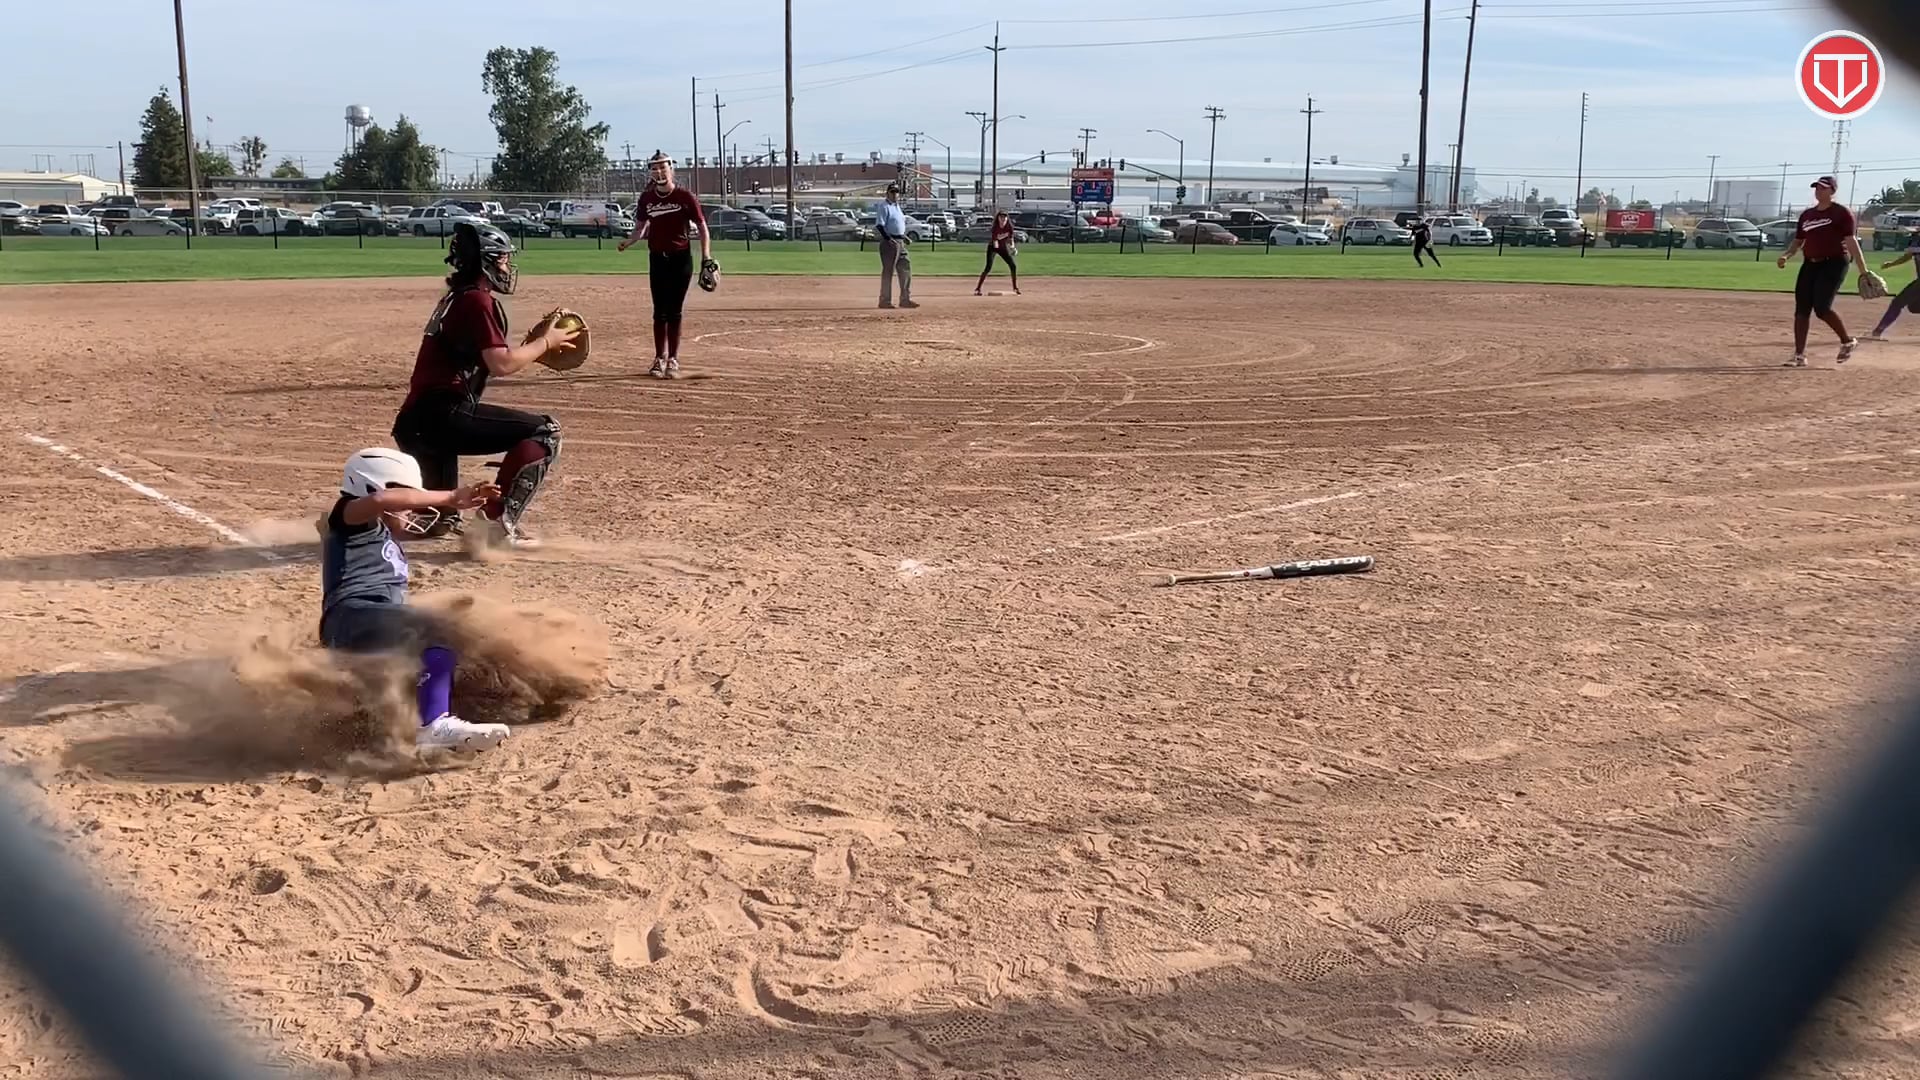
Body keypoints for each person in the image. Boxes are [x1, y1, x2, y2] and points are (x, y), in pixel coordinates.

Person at [389, 222, 580, 548]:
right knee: (546, 432)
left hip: (417, 424)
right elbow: (501, 363)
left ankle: (363, 523)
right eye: (503, 259)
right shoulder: (477, 300)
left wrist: (529, 348)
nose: (507, 266)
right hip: (442, 417)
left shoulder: (457, 298)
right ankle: (496, 524)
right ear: (485, 261)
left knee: (438, 521)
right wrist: (546, 343)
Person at [320, 447, 509, 751]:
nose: (412, 510)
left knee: (427, 652)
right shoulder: (351, 519)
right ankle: (434, 725)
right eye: (408, 501)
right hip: (354, 615)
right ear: (372, 487)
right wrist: (451, 497)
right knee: (440, 627)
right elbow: (381, 501)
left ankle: (408, 725)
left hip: (368, 622)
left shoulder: (380, 536)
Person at [618, 151, 712, 378]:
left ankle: (673, 360)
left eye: (663, 167)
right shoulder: (646, 198)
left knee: (674, 311)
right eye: (655, 168)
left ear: (671, 169)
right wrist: (629, 241)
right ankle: (659, 358)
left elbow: (702, 227)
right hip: (657, 259)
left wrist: (706, 257)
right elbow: (640, 228)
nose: (659, 172)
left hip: (681, 259)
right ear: (651, 172)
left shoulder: (684, 197)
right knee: (659, 311)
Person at [1776, 175, 1866, 367]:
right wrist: (1787, 255)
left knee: (1822, 308)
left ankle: (1847, 341)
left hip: (1834, 263)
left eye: (1823, 188)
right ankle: (1799, 355)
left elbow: (1851, 241)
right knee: (1802, 309)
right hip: (1810, 263)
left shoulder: (1841, 213)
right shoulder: (1807, 215)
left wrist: (1863, 270)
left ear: (1832, 191)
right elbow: (1798, 240)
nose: (1818, 191)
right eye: (1816, 188)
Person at [1867, 227, 1920, 340]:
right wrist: (1891, 264)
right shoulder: (1916, 240)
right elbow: (1908, 256)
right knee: (1914, 307)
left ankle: (1878, 331)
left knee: (1897, 303)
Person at [874, 183, 916, 309]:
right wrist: (888, 239)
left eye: (897, 192)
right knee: (888, 272)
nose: (895, 194)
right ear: (887, 193)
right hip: (890, 243)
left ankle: (905, 299)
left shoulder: (897, 207)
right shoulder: (884, 206)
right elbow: (880, 225)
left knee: (905, 269)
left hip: (900, 241)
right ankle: (884, 300)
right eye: (892, 191)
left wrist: (904, 237)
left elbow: (897, 225)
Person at [975, 210, 1021, 296]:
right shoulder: (995, 227)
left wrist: (1012, 247)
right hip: (993, 247)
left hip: (1002, 248)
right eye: (1001, 217)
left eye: (1004, 217)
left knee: (1013, 265)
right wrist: (1001, 248)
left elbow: (1011, 238)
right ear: (998, 218)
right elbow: (995, 241)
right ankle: (978, 289)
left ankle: (1015, 287)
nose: (1003, 219)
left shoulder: (1009, 227)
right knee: (988, 267)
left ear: (1007, 218)